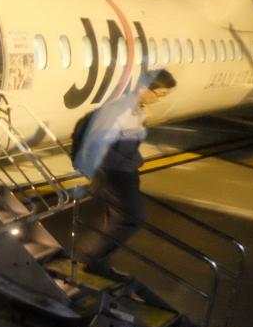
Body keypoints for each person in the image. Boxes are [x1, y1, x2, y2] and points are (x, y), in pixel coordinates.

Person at [73, 69, 177, 278]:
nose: (159, 100)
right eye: (159, 94)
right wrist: (121, 166)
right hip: (113, 174)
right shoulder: (119, 110)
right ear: (144, 88)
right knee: (131, 218)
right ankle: (94, 260)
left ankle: (99, 262)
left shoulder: (134, 109)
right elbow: (98, 144)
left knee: (118, 219)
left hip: (124, 172)